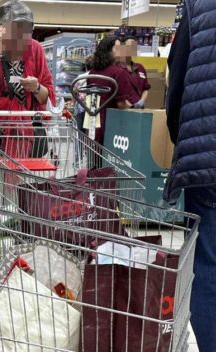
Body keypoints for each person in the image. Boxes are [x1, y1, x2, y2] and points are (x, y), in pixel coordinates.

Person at [164, 1, 216, 351]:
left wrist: (182, 139)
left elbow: (177, 75)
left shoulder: (201, 6)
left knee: (209, 265)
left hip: (208, 158)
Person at [0, 0, 55, 159]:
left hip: (23, 135)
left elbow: (47, 97)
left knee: (15, 177)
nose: (24, 37)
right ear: (2, 28)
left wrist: (36, 87)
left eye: (28, 30)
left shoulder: (35, 49)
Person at [86, 36, 132, 144]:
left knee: (94, 158)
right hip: (112, 127)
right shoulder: (119, 73)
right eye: (117, 48)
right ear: (108, 51)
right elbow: (121, 104)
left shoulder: (92, 72)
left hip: (93, 124)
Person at [116, 37, 151, 109]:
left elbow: (146, 88)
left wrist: (141, 102)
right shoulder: (117, 68)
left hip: (139, 108)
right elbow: (117, 92)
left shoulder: (140, 67)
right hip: (123, 109)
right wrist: (130, 106)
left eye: (134, 46)